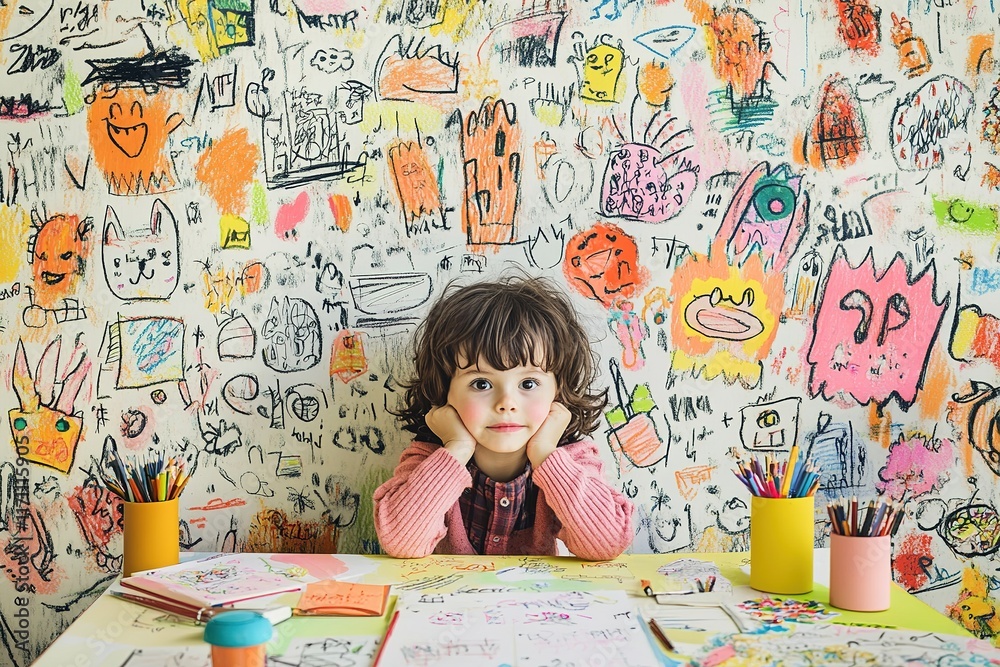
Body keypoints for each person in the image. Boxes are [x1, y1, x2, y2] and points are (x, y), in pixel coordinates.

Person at [373, 274, 635, 559]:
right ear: (445, 390)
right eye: (482, 384)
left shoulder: (573, 462)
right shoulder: (428, 460)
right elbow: (401, 543)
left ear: (557, 391)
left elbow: (607, 544)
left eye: (528, 384)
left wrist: (545, 454)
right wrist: (457, 448)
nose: (506, 404)